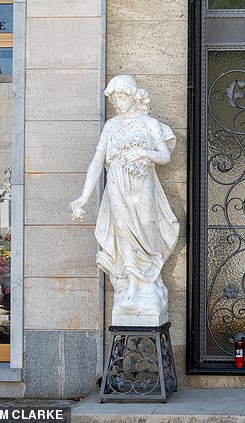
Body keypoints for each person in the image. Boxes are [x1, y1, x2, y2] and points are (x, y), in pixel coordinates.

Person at [70, 75, 179, 326]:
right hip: (117, 186)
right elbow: (97, 160)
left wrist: (143, 152)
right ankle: (131, 282)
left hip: (142, 187)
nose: (117, 102)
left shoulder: (149, 123)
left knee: (148, 227)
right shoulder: (111, 126)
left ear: (132, 96)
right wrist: (84, 196)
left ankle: (149, 280)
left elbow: (165, 156)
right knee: (123, 233)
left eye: (120, 97)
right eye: (113, 98)